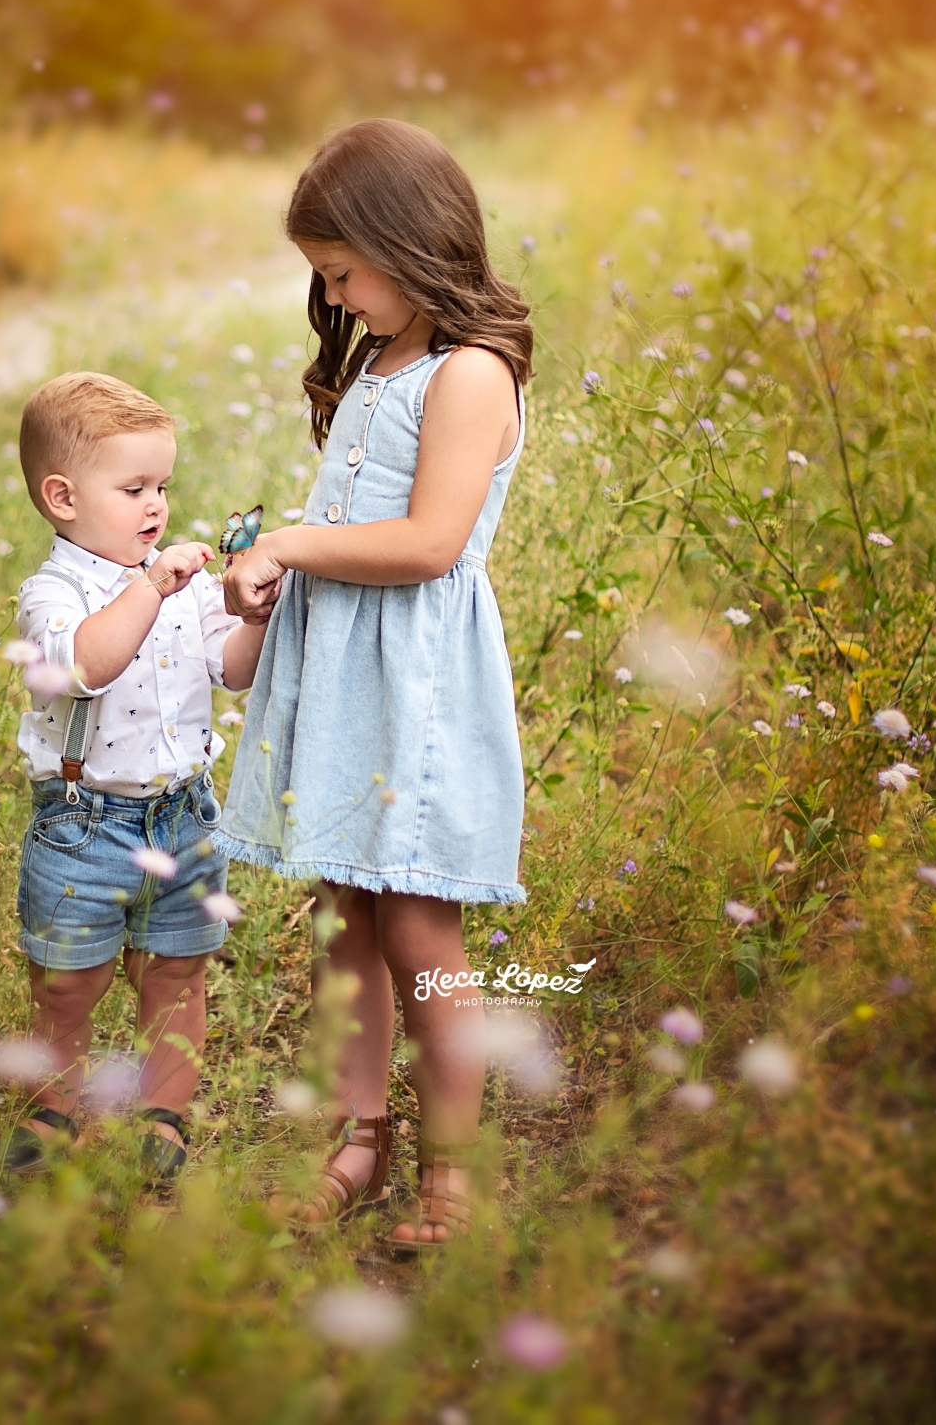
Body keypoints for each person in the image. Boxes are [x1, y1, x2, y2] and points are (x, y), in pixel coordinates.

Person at [217, 118, 533, 1253]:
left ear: (411, 241)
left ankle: (456, 1172)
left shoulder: (469, 373)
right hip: (345, 673)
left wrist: (294, 544)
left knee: (416, 925)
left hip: (417, 686)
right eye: (323, 279)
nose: (337, 298)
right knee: (342, 917)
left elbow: (431, 541)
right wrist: (268, 588)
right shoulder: (379, 364)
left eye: (344, 272)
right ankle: (357, 1140)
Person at [1, 371, 267, 1182]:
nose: (156, 505)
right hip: (84, 825)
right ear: (63, 496)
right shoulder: (52, 595)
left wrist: (255, 618)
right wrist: (150, 587)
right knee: (67, 984)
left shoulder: (180, 587)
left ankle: (164, 1113)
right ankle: (57, 1105)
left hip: (181, 816)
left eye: (163, 485)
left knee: (177, 975)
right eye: (133, 487)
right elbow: (85, 664)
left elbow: (231, 671)